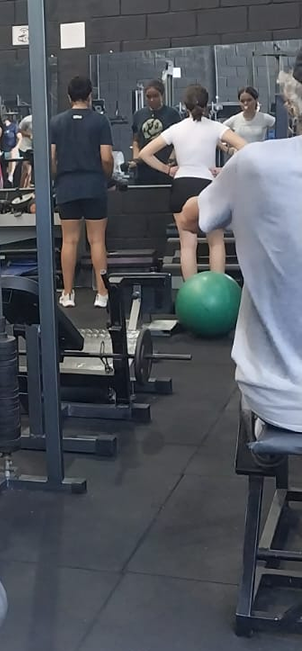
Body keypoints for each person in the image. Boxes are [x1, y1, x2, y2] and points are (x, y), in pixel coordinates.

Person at [180, 52, 302, 433]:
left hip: (277, 399)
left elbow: (189, 217)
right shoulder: (248, 155)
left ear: (293, 101)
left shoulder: (254, 163)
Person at [138, 84, 246, 280]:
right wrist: (226, 170)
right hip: (207, 187)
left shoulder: (176, 129)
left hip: (181, 186)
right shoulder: (216, 127)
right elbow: (245, 147)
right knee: (216, 242)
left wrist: (166, 169)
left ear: (184, 105)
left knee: (187, 245)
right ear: (206, 105)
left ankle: (191, 289)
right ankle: (218, 287)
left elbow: (144, 153)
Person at [50, 76, 114, 309]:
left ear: (69, 96)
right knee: (97, 240)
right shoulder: (100, 121)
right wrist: (105, 176)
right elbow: (106, 157)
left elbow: (51, 158)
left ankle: (67, 294)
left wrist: (59, 177)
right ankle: (102, 294)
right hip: (94, 184)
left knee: (69, 240)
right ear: (90, 95)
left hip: (67, 186)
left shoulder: (56, 122)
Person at [131, 80, 181, 186]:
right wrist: (136, 159)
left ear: (162, 95)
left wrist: (172, 158)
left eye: (155, 96)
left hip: (165, 167)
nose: (152, 100)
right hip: (144, 169)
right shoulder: (139, 115)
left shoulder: (172, 114)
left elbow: (178, 140)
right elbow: (136, 140)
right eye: (148, 97)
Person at [16, 115, 33, 188]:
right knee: (26, 168)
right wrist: (29, 135)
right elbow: (19, 130)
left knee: (30, 169)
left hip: (35, 148)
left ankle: (28, 186)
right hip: (25, 147)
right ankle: (22, 188)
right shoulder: (27, 120)